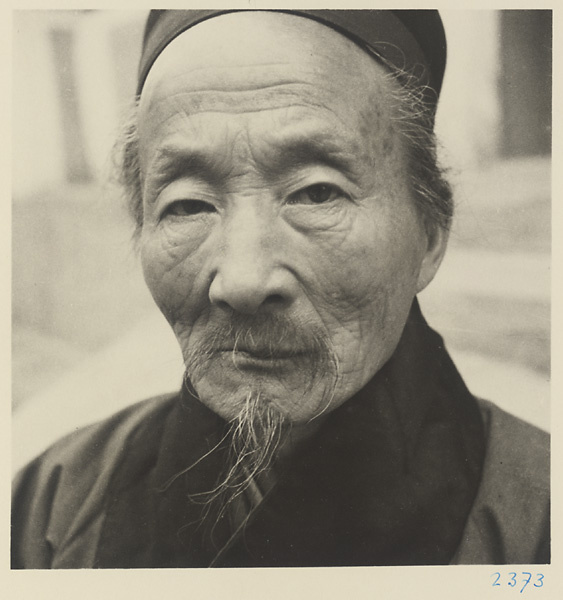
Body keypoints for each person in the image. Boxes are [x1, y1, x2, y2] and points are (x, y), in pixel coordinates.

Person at [11, 9, 549, 568]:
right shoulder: (50, 509)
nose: (242, 280)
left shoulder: (538, 528)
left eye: (316, 194)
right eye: (189, 204)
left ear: (430, 235)